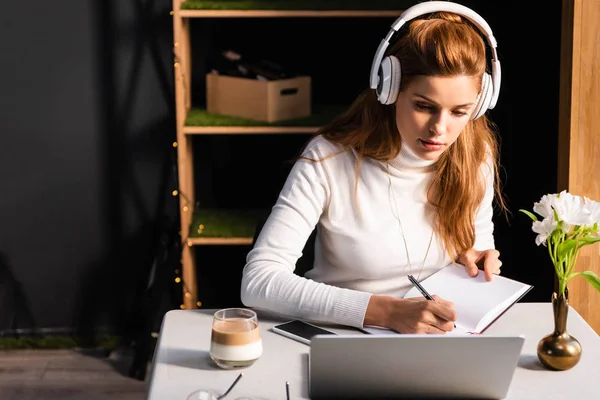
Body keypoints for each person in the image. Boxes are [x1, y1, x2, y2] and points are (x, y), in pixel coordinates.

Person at [240, 1, 507, 335]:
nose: (440, 128)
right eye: (424, 106)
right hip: (341, 339)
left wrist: (475, 260)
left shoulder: (475, 157)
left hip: (435, 344)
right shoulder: (327, 159)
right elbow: (259, 281)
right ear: (389, 89)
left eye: (459, 112)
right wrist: (384, 312)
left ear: (479, 106)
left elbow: (478, 247)